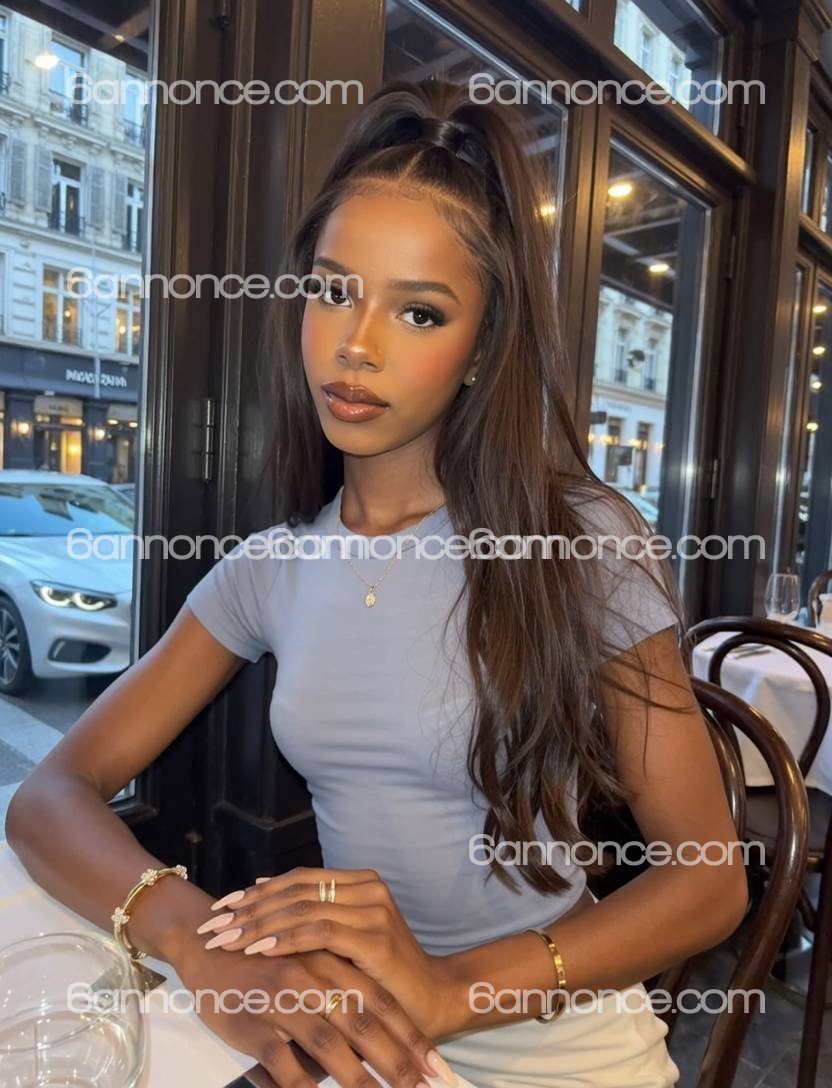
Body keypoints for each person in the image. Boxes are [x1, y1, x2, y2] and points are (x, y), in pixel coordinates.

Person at [6, 79, 747, 1088]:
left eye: (419, 311)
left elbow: (709, 883)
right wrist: (195, 941)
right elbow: (50, 794)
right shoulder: (271, 568)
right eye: (332, 291)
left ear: (481, 347)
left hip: (552, 1032)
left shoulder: (581, 542)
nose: (357, 344)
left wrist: (452, 990)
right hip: (356, 1030)